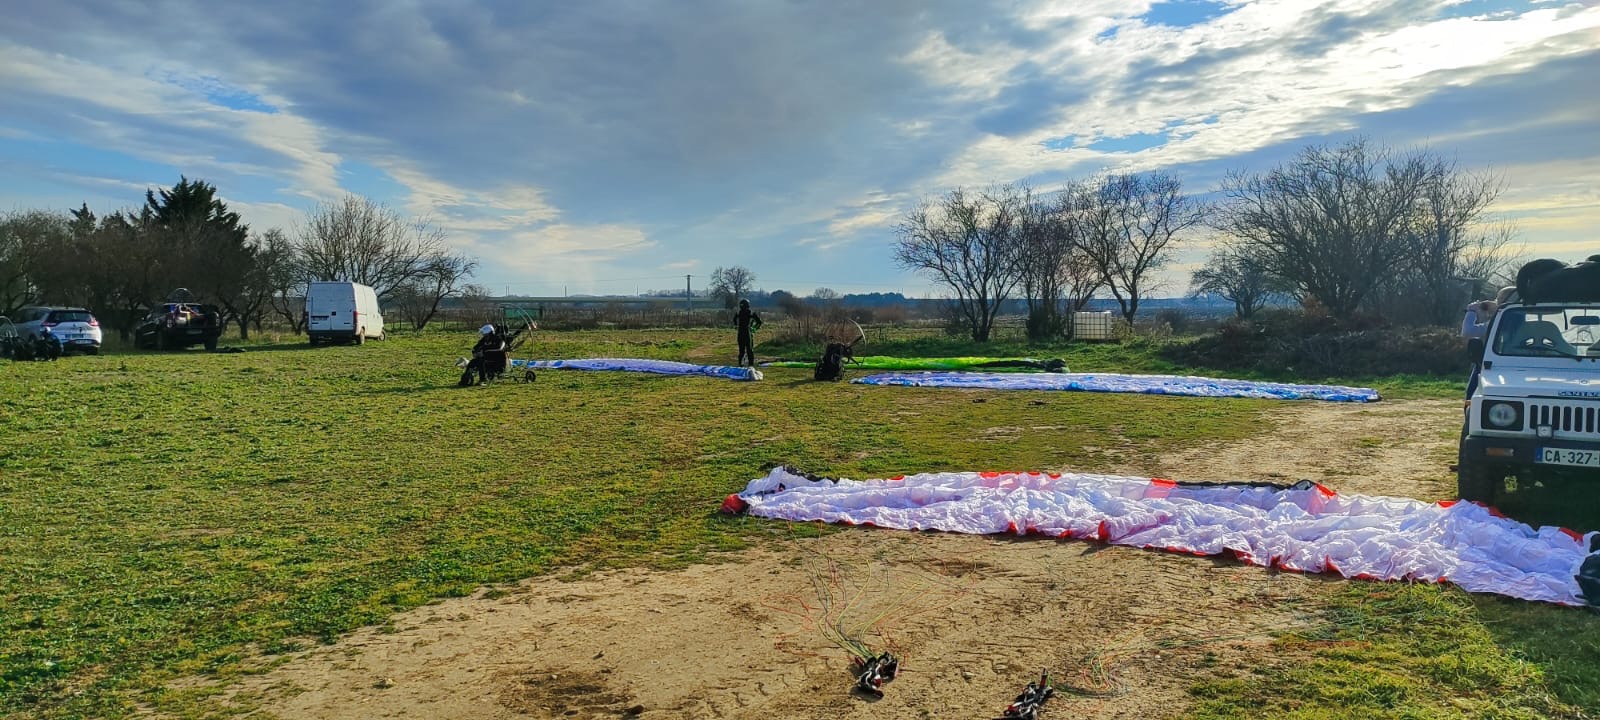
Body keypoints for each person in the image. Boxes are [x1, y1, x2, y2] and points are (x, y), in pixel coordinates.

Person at [733, 298, 762, 367]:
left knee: (742, 350)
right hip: (747, 333)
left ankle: (742, 364)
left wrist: (736, 326)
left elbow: (734, 320)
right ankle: (749, 365)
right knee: (748, 350)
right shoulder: (750, 312)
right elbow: (759, 322)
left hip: (741, 333)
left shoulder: (739, 312)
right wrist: (754, 328)